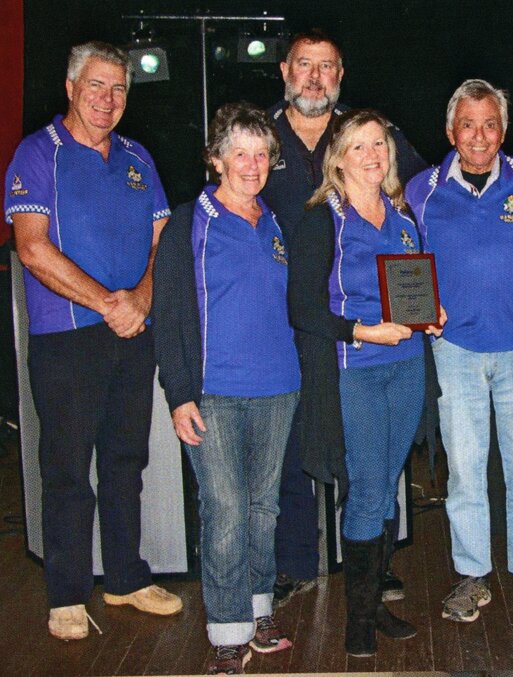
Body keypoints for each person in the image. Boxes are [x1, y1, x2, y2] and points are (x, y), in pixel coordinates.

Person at [4, 40, 181, 642]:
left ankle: (126, 579)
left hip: (134, 333)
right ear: (72, 88)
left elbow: (164, 243)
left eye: (120, 89)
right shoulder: (37, 154)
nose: (108, 100)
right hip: (68, 339)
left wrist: (142, 300)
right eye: (97, 86)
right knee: (68, 471)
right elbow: (31, 248)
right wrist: (109, 302)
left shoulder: (138, 158)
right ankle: (67, 594)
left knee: (127, 463)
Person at [260, 29, 427, 607]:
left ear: (340, 75)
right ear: (285, 70)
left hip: (361, 332)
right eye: (304, 65)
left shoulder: (370, 133)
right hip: (279, 318)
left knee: (370, 458)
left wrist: (431, 295)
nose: (314, 76)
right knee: (293, 446)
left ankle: (370, 574)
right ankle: (296, 563)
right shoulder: (263, 137)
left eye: (326, 67)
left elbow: (417, 198)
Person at [406, 79, 513, 623]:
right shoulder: (420, 189)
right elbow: (405, 263)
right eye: (467, 124)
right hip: (455, 349)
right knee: (465, 470)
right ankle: (472, 575)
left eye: (490, 124)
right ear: (451, 130)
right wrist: (419, 311)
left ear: (504, 130)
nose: (479, 136)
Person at [287, 108, 444, 657]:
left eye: (380, 144)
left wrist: (432, 313)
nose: (373, 155)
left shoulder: (404, 221)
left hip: (406, 367)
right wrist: (361, 330)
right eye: (359, 146)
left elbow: (413, 291)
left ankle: (374, 603)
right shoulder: (321, 219)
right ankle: (359, 619)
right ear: (338, 157)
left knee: (385, 488)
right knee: (367, 488)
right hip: (354, 371)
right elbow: (303, 307)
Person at [153, 102, 299, 675]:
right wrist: (179, 393)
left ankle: (260, 611)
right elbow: (167, 315)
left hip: (279, 387)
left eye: (262, 154)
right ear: (216, 159)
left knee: (263, 509)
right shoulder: (189, 223)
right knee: (226, 509)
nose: (252, 164)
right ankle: (226, 631)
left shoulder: (277, 221)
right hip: (212, 392)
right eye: (240, 152)